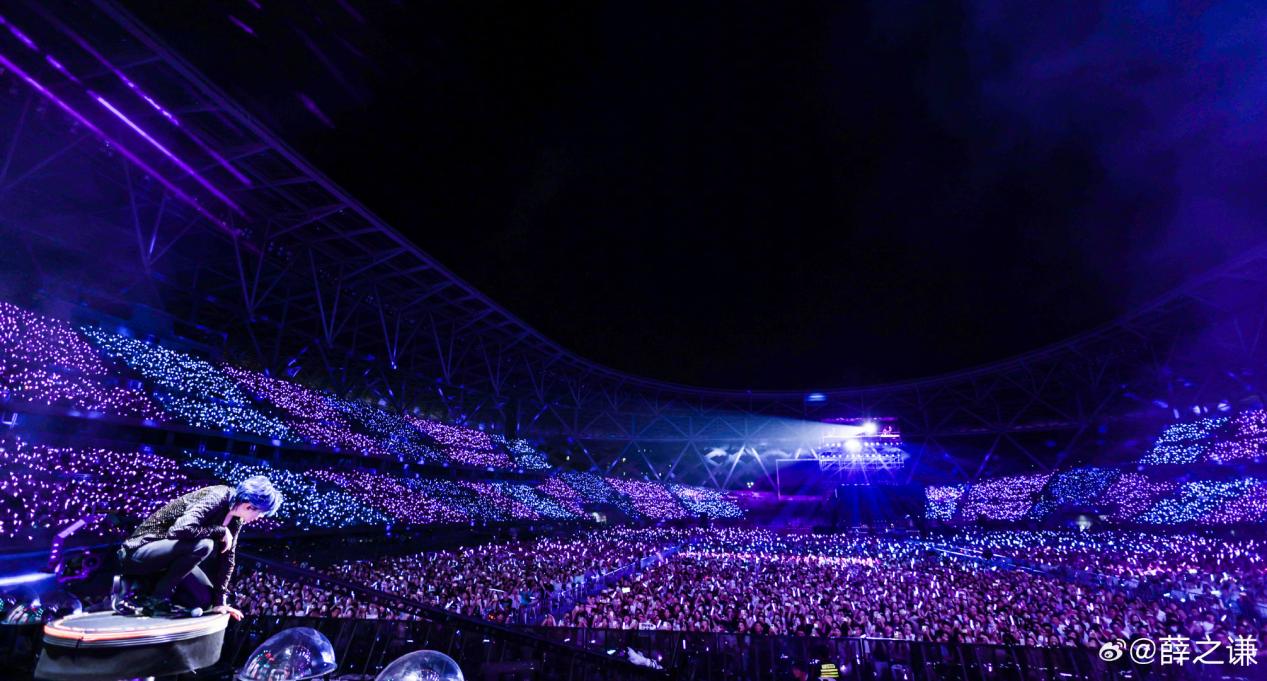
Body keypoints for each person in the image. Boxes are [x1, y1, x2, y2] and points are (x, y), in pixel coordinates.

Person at [115, 476, 282, 618]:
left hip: (166, 558)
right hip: (138, 552)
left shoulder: (236, 519)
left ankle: (150, 591)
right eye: (260, 513)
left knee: (205, 600)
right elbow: (179, 530)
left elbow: (228, 559)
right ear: (249, 505)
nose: (259, 518)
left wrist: (220, 602)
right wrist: (219, 530)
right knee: (204, 545)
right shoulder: (217, 496)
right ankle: (154, 598)